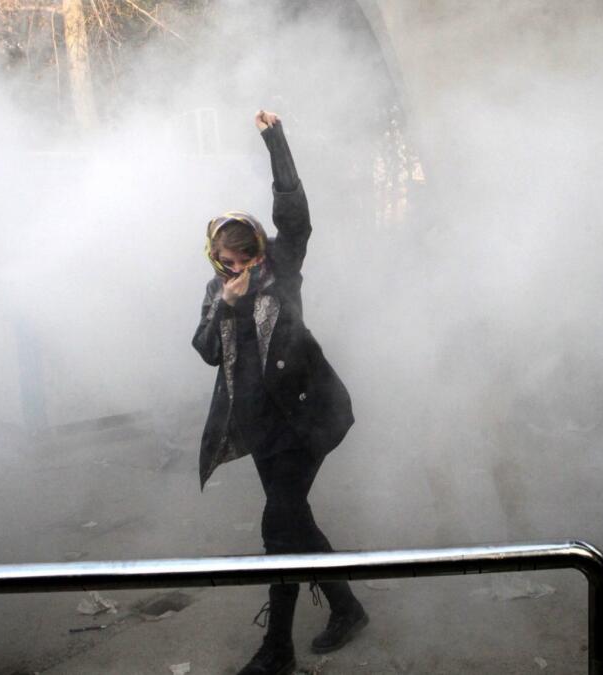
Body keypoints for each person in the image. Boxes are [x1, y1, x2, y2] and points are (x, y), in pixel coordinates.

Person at [192, 110, 368, 675]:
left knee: (279, 527)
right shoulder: (216, 292)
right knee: (296, 523)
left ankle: (278, 650)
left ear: (260, 253)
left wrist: (276, 140)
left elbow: (295, 219)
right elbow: (206, 350)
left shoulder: (282, 270)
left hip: (306, 423)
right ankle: (347, 608)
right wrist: (227, 303)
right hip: (261, 430)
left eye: (245, 259)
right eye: (227, 261)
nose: (236, 269)